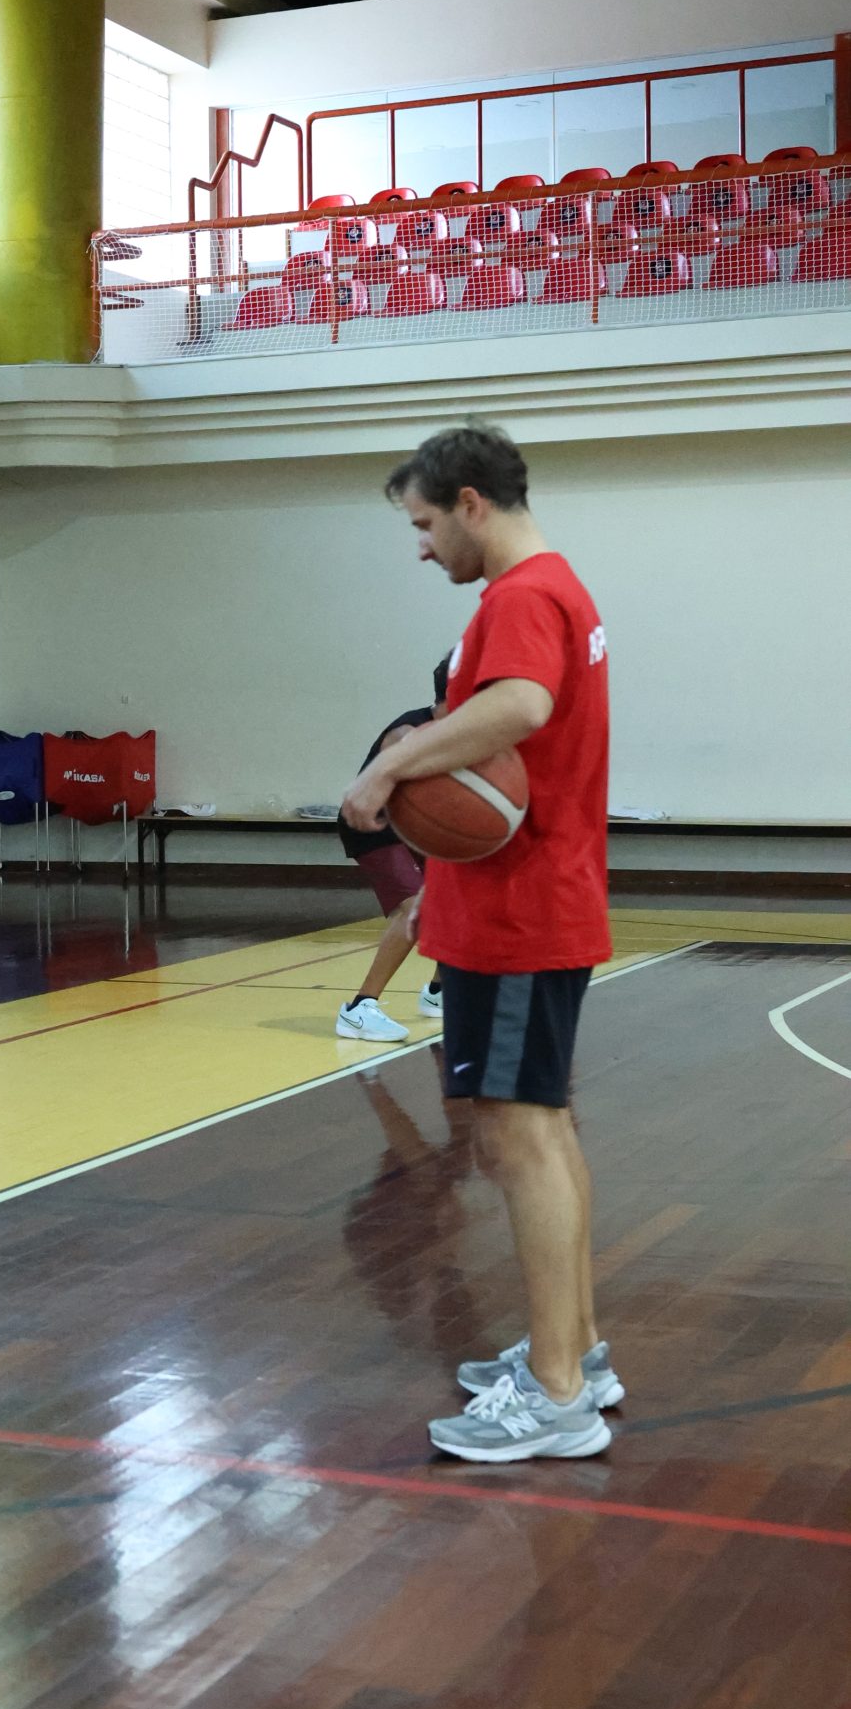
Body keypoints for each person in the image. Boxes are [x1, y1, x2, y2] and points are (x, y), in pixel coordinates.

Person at [341, 422, 615, 1465]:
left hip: (517, 914)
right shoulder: (554, 587)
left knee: (520, 1141)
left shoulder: (521, 596)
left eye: (423, 524)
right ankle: (574, 1351)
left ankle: (556, 1396)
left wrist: (389, 765)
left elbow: (521, 703)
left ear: (470, 503)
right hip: (530, 905)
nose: (420, 548)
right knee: (541, 1133)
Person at [335, 656, 450, 1044]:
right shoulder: (407, 734)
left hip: (418, 828)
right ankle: (359, 1009)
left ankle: (439, 992)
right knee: (415, 908)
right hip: (374, 824)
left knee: (461, 899)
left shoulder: (462, 733)